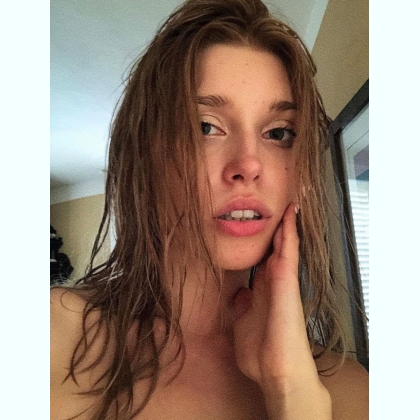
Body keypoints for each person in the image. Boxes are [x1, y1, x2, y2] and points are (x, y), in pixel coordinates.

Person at [50, 0, 369, 419]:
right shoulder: (47, 338)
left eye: (278, 133)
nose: (248, 165)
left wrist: (290, 391)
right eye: (206, 127)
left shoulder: (349, 391)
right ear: (146, 155)